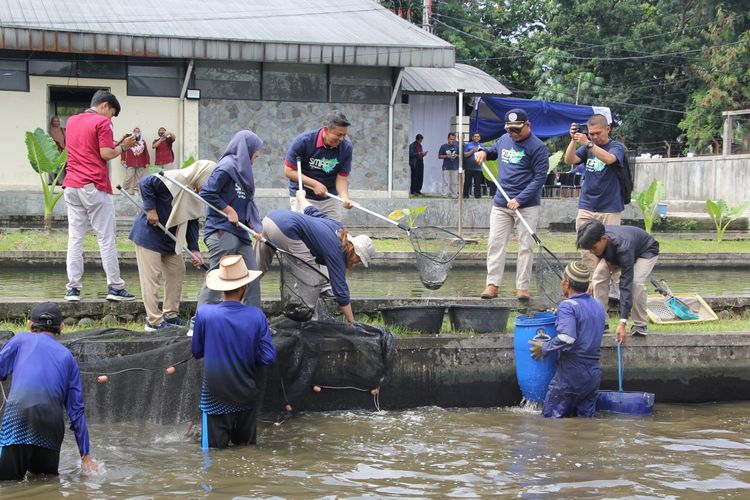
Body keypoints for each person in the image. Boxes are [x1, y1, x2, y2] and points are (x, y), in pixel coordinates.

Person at [0, 302, 97, 480]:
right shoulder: (68, 358)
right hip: (50, 429)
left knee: (7, 485)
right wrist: (86, 456)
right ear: (61, 327)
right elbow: (76, 411)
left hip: (17, 420)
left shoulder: (20, 339)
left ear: (30, 325)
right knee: (44, 483)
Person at [192, 255, 276, 448]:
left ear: (221, 287)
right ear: (244, 287)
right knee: (245, 451)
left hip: (214, 398)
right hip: (246, 396)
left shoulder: (204, 313)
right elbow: (268, 357)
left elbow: (196, 351)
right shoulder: (256, 316)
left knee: (213, 455)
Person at [62, 89, 137, 302]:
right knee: (106, 239)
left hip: (72, 186)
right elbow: (105, 154)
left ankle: (73, 289)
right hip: (94, 186)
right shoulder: (103, 123)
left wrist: (116, 142)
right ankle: (115, 287)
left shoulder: (73, 121)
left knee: (75, 239)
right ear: (105, 105)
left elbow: (89, 149)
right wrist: (123, 146)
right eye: (112, 113)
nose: (110, 118)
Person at [257, 190, 376, 323]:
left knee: (255, 270)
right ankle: (307, 320)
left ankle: (238, 302)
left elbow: (311, 211)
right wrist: (352, 322)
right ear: (354, 249)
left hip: (269, 220)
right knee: (312, 276)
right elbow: (341, 291)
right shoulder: (338, 251)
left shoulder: (337, 227)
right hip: (286, 229)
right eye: (358, 259)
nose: (356, 262)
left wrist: (301, 197)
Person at [129, 161, 215, 331]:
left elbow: (191, 221)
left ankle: (170, 314)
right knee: (151, 278)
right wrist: (151, 209)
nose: (211, 184)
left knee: (177, 271)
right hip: (149, 234)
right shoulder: (175, 178)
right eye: (210, 179)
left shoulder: (194, 192)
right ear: (202, 174)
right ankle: (153, 321)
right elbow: (145, 183)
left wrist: (194, 249)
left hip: (171, 237)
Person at [474, 109, 549, 300]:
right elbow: (492, 151)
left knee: (525, 246)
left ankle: (522, 288)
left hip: (527, 205)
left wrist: (520, 199)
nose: (513, 134)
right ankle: (492, 285)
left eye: (517, 130)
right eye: (510, 130)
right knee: (495, 243)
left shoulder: (538, 147)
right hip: (501, 203)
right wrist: (482, 152)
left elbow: (540, 178)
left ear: (528, 125)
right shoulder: (504, 139)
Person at [528, 261, 606, 418]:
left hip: (571, 375)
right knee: (584, 425)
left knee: (552, 424)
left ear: (567, 283)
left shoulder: (567, 306)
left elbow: (567, 337)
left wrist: (544, 347)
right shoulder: (598, 305)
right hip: (593, 376)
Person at [198, 130, 263, 308]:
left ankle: (252, 320)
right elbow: (207, 192)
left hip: (241, 232)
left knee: (252, 275)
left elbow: (246, 203)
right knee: (218, 276)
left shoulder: (243, 171)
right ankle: (199, 322)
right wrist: (228, 210)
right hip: (222, 230)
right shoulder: (226, 167)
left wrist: (255, 225)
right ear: (246, 149)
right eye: (255, 151)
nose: (257, 154)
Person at [564, 114, 627, 283]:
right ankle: (595, 282)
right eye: (591, 134)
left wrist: (588, 143)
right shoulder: (587, 148)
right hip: (587, 205)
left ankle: (615, 286)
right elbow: (569, 159)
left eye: (598, 133)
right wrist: (573, 140)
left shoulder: (616, 147)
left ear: (608, 129)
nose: (594, 137)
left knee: (611, 249)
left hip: (610, 207)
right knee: (586, 247)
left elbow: (609, 159)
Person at [576, 220, 660, 340]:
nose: (592, 252)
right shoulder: (597, 238)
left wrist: (622, 322)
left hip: (646, 251)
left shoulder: (623, 247)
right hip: (619, 253)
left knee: (635, 283)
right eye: (589, 250)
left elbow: (626, 285)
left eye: (594, 248)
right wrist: (592, 280)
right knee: (598, 278)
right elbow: (599, 259)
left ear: (603, 239)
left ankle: (640, 324)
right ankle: (601, 322)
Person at [284, 111, 353, 219]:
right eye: (338, 135)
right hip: (304, 196)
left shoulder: (346, 147)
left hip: (329, 198)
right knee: (306, 231)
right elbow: (289, 171)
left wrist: (344, 198)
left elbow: (342, 178)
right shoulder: (303, 142)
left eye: (344, 135)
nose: (341, 139)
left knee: (334, 230)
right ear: (326, 129)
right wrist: (314, 184)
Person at [120, 127, 150, 195]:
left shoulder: (143, 141)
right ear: (133, 132)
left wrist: (147, 161)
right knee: (129, 177)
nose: (136, 132)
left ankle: (136, 190)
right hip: (130, 162)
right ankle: (124, 190)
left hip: (141, 162)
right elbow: (123, 150)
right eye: (135, 131)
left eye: (138, 131)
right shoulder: (129, 140)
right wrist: (123, 159)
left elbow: (146, 152)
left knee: (138, 178)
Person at [462, 132, 484, 199]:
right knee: (467, 182)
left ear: (479, 138)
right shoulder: (468, 145)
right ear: (472, 138)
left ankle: (477, 196)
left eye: (478, 136)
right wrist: (472, 151)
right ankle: (465, 195)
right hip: (469, 167)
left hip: (478, 168)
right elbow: (465, 155)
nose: (476, 138)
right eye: (475, 136)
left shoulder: (482, 146)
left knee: (477, 183)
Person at [438, 132, 459, 197]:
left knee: (454, 182)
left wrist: (456, 155)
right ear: (448, 138)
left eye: (453, 139)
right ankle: (444, 194)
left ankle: (454, 194)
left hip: (455, 167)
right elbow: (439, 156)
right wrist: (447, 156)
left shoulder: (457, 146)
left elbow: (461, 155)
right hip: (446, 167)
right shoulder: (443, 146)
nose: (451, 141)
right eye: (450, 139)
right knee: (445, 182)